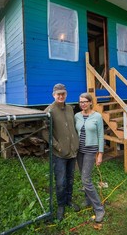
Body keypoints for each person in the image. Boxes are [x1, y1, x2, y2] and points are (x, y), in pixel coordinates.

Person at [43, 83, 80, 221]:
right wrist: (57, 146)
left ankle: (68, 200)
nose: (61, 96)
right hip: (59, 153)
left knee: (70, 178)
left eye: (63, 93)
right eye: (58, 94)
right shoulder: (49, 110)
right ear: (53, 95)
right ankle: (60, 205)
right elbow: (45, 132)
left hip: (72, 151)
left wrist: (75, 142)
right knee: (61, 181)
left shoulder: (70, 108)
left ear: (66, 94)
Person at [74, 92, 105, 223]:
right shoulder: (76, 116)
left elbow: (101, 136)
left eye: (85, 101)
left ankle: (99, 209)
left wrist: (100, 154)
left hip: (90, 151)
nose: (83, 104)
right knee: (84, 177)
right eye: (81, 102)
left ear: (91, 102)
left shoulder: (97, 117)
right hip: (79, 151)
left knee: (86, 179)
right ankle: (87, 200)